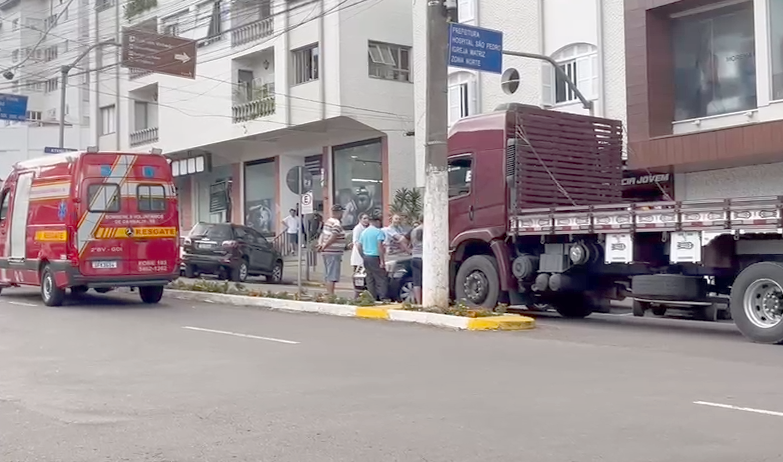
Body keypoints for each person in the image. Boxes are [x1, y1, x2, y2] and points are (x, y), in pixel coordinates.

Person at [316, 204, 346, 295]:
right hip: (333, 252)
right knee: (332, 274)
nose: (342, 214)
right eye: (341, 212)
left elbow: (323, 234)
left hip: (327, 252)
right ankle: (331, 294)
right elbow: (333, 236)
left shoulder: (328, 221)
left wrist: (320, 244)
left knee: (328, 273)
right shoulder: (336, 223)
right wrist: (324, 246)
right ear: (338, 212)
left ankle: (329, 293)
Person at [357, 213, 388, 301]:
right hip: (375, 256)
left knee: (369, 278)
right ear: (377, 221)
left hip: (366, 256)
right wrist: (382, 261)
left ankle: (372, 297)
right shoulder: (379, 232)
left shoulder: (364, 232)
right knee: (381, 277)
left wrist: (363, 255)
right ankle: (383, 297)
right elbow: (379, 246)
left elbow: (359, 245)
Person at [409, 220, 423, 305]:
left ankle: (418, 302)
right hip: (424, 257)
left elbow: (403, 240)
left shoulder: (413, 231)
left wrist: (409, 251)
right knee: (425, 280)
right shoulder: (428, 229)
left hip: (415, 256)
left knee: (417, 281)